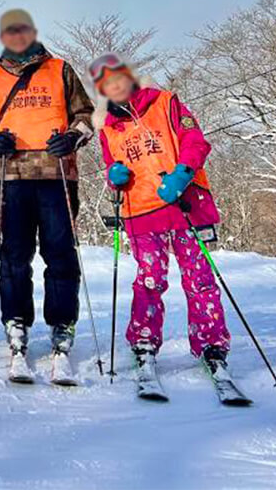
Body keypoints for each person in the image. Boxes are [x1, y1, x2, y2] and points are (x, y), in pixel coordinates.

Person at [0, 8, 95, 381]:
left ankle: (62, 325)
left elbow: (85, 115)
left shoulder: (60, 69)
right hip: (13, 177)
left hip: (58, 176)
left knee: (60, 253)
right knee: (14, 256)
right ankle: (16, 322)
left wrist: (73, 136)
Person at [91, 52, 232, 382]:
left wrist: (183, 172)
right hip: (141, 213)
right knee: (149, 279)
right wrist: (114, 176)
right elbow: (110, 166)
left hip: (184, 205)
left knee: (200, 279)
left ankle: (212, 344)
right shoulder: (108, 128)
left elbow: (195, 141)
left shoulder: (166, 103)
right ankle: (144, 341)